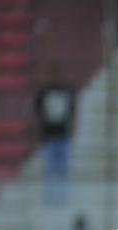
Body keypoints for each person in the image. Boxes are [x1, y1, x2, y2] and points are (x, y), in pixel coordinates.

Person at [34, 65, 76, 204]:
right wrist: (38, 130)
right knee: (49, 168)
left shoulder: (66, 92)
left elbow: (72, 111)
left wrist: (73, 128)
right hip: (49, 135)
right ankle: (50, 196)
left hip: (63, 134)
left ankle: (63, 196)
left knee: (63, 167)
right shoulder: (44, 93)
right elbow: (38, 114)